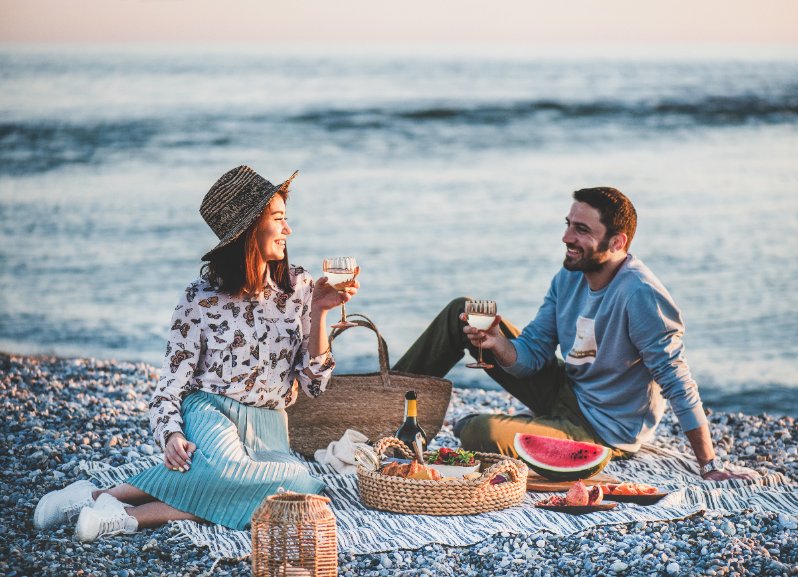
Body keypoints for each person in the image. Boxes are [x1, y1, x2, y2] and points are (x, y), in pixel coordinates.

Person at [33, 165, 359, 541]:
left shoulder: (300, 288)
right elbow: (170, 384)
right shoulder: (199, 299)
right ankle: (115, 511)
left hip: (270, 427)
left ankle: (112, 505)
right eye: (280, 219)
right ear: (249, 230)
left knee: (302, 490)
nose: (289, 230)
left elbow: (314, 386)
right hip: (211, 413)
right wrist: (170, 434)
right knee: (228, 475)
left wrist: (320, 311)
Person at [393, 187, 754, 481]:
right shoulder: (568, 276)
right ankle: (383, 407)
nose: (567, 237)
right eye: (568, 224)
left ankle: (524, 428)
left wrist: (708, 464)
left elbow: (678, 382)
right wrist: (498, 345)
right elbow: (533, 354)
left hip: (602, 430)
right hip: (568, 389)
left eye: (582, 230)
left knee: (476, 432)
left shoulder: (640, 295)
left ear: (616, 242)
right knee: (463, 309)